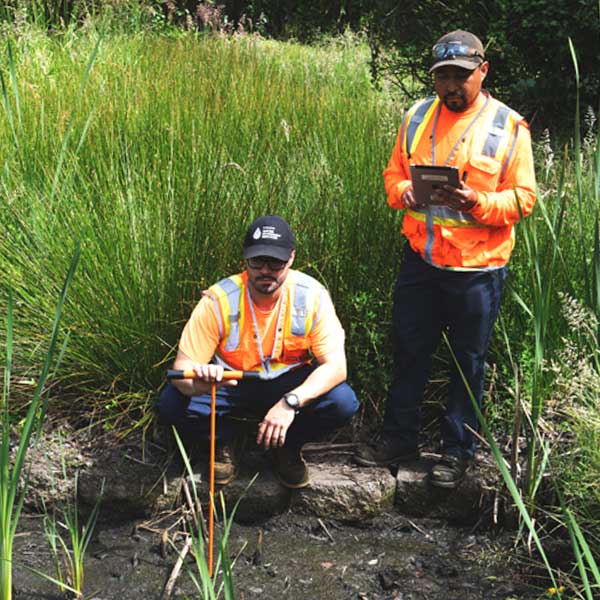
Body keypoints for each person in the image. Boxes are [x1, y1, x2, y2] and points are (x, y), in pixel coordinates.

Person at [355, 30, 536, 488]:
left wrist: (475, 202)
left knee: (467, 362)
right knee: (410, 351)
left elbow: (524, 200)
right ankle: (399, 439)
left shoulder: (508, 127)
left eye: (461, 76)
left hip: (478, 270)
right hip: (420, 260)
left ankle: (457, 451)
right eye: (443, 78)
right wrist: (406, 192)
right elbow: (393, 176)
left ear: (483, 71)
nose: (452, 86)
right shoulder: (417, 116)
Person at [158, 214, 358, 489]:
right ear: (245, 260)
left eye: (275, 263)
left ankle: (286, 447)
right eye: (257, 262)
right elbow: (182, 370)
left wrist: (290, 403)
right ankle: (222, 441)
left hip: (288, 382)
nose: (266, 270)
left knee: (342, 401)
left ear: (291, 258)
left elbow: (336, 367)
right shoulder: (219, 300)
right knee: (171, 403)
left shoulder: (312, 295)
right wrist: (200, 382)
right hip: (230, 381)